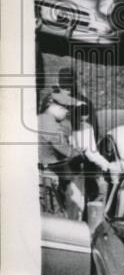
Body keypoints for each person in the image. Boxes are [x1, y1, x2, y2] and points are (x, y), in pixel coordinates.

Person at [37, 88, 81, 218]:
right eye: (65, 108)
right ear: (51, 105)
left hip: (44, 174)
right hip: (48, 177)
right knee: (57, 217)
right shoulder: (51, 125)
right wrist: (78, 153)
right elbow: (65, 150)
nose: (67, 111)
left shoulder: (40, 119)